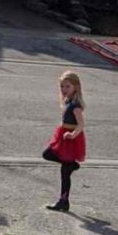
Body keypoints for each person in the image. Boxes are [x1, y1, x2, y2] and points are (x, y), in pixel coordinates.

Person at [42, 71, 86, 213]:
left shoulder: (76, 105)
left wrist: (73, 134)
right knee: (49, 155)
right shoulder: (68, 101)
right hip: (63, 135)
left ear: (76, 87)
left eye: (67, 86)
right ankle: (64, 200)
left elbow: (81, 125)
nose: (64, 89)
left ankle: (63, 201)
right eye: (62, 86)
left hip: (71, 139)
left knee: (64, 171)